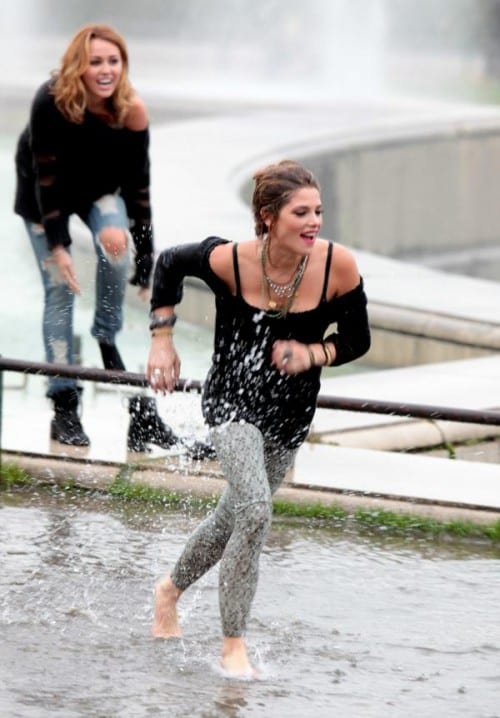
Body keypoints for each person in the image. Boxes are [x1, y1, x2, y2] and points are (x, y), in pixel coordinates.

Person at [145, 159, 371, 677]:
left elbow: (357, 340)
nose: (314, 222)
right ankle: (233, 646)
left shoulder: (337, 265)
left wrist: (313, 353)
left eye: (318, 211)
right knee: (254, 509)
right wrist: (162, 339)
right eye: (301, 213)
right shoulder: (231, 260)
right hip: (231, 402)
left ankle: (168, 591)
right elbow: (170, 263)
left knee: (234, 516)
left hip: (289, 416)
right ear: (269, 216)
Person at [13, 23, 178, 453]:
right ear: (78, 66)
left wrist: (146, 259)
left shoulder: (130, 111)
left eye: (114, 61)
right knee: (59, 291)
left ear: (124, 65)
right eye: (95, 61)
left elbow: (139, 190)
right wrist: (59, 246)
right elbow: (46, 179)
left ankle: (107, 335)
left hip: (96, 191)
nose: (106, 70)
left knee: (116, 247)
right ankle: (64, 405)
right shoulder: (51, 101)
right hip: (43, 196)